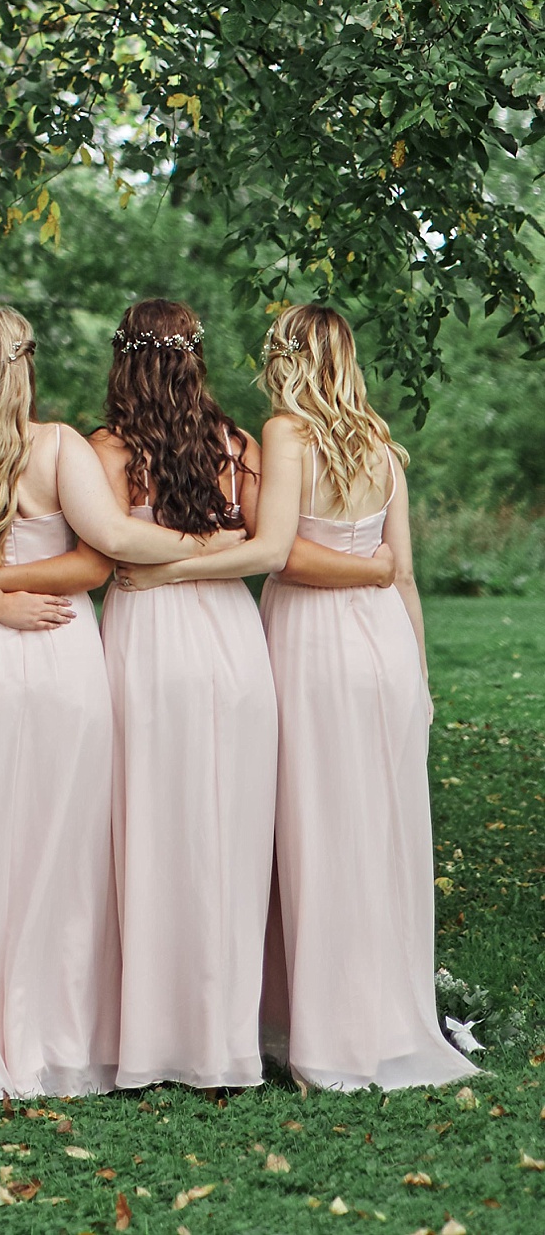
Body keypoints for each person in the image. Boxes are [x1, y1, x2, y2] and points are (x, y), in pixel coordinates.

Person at [0, 304, 221, 1102]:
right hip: (61, 648)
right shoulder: (59, 447)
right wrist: (210, 549)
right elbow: (99, 558)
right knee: (66, 840)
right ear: (22, 366)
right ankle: (64, 1034)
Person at [253, 301, 475, 1091]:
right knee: (375, 832)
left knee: (314, 827)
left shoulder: (285, 435)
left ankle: (322, 1035)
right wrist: (419, 676)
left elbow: (281, 557)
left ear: (290, 357)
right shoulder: (383, 445)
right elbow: (403, 570)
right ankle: (378, 1016)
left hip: (313, 643)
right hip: (384, 644)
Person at [94, 298, 297, 1091]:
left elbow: (114, 548)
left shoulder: (108, 449)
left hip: (148, 632)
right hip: (230, 640)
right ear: (195, 360)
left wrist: (166, 566)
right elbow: (255, 549)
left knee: (150, 827)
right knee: (227, 833)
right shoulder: (236, 444)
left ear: (125, 362)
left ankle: (154, 1041)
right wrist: (214, 546)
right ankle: (221, 1039)